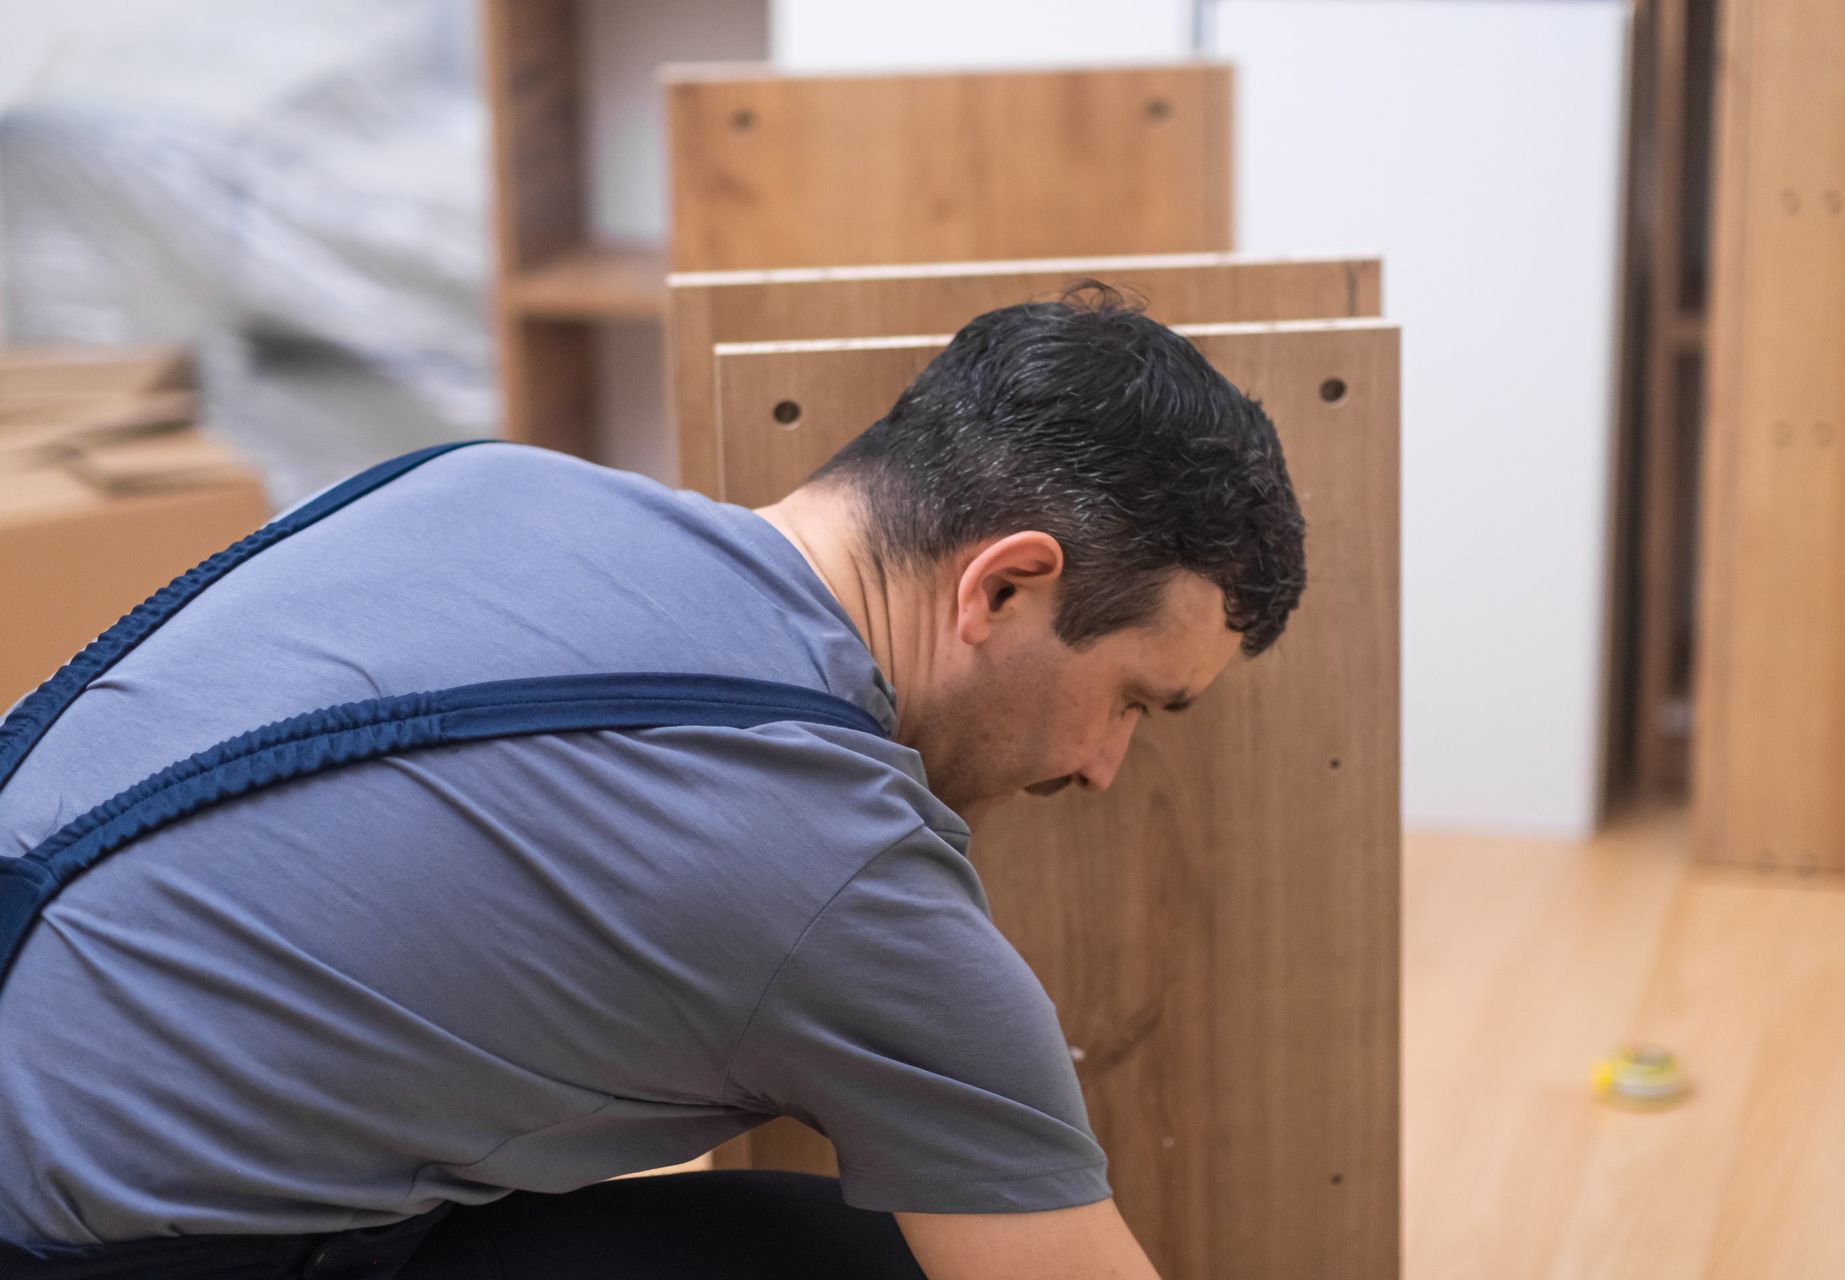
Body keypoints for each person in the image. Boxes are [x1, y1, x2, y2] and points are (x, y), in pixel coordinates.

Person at [0, 285, 1306, 1279]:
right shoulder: (832, 869)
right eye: (1133, 700)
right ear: (1004, 586)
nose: (1102, 765)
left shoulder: (495, 482)